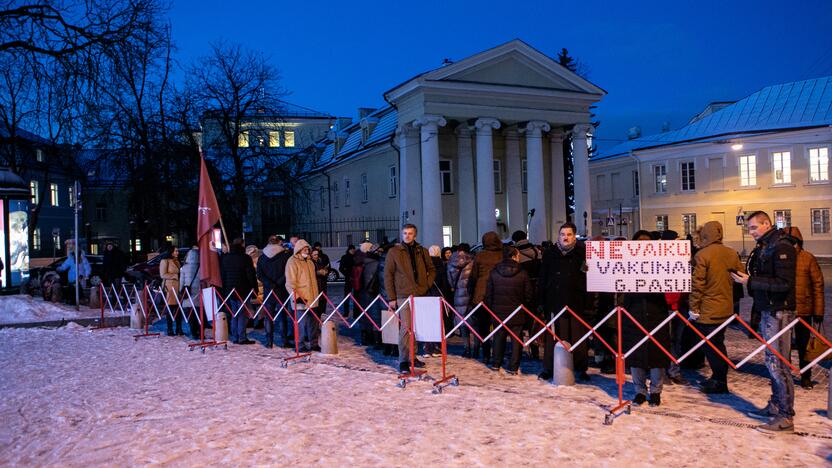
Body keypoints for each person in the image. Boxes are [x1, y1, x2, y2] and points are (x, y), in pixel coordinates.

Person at [732, 211, 797, 433]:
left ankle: (786, 416)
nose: (750, 232)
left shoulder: (781, 247)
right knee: (772, 361)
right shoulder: (765, 245)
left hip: (779, 311)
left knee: (778, 364)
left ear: (767, 224)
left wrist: (751, 281)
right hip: (768, 309)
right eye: (749, 228)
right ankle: (776, 405)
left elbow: (784, 284)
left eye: (753, 227)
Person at [687, 221, 745, 394]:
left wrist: (694, 308)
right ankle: (718, 377)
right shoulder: (731, 253)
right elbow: (738, 277)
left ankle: (720, 380)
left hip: (708, 310)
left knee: (711, 347)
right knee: (718, 343)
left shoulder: (702, 255)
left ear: (705, 236)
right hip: (725, 309)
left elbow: (698, 285)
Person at [622, 230, 672, 406]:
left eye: (647, 243)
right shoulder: (625, 263)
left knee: (657, 353)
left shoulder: (661, 263)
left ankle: (656, 391)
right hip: (633, 312)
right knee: (636, 354)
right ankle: (640, 391)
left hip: (656, 312)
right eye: (639, 244)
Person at [539, 222, 591, 382]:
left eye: (569, 234)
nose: (565, 238)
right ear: (558, 236)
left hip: (576, 302)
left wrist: (588, 303)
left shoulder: (582, 253)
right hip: (554, 303)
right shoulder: (550, 254)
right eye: (563, 234)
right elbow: (542, 279)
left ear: (574, 236)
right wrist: (541, 302)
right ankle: (549, 368)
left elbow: (589, 277)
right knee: (553, 338)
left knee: (578, 338)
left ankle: (580, 368)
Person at [383, 224, 435, 373]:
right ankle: (404, 360)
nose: (407, 236)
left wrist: (426, 285)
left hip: (420, 294)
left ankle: (413, 356)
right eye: (405, 233)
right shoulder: (394, 252)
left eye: (410, 233)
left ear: (415, 235)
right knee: (405, 328)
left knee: (415, 327)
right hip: (402, 295)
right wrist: (391, 297)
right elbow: (388, 275)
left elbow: (431, 270)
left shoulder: (422, 251)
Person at [783, 226, 825, 389]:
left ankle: (806, 375)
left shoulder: (808, 258)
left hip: (804, 311)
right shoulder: (781, 257)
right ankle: (784, 375)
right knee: (784, 346)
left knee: (804, 346)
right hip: (785, 309)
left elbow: (818, 286)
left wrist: (818, 312)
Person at [485, 246, 533, 375]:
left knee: (498, 338)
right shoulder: (522, 273)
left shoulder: (494, 272)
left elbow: (489, 294)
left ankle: (496, 363)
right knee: (516, 339)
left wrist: (493, 306)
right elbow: (528, 294)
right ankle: (513, 366)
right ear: (514, 256)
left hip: (498, 311)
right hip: (517, 311)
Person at [467, 231, 504, 365]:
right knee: (499, 327)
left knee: (483, 327)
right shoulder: (502, 254)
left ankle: (486, 354)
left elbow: (474, 276)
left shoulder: (480, 255)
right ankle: (498, 356)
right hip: (499, 294)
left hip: (481, 295)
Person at [285, 239, 321, 352]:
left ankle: (314, 343)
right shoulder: (292, 262)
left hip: (312, 298)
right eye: (304, 249)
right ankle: (299, 345)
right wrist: (296, 297)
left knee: (313, 324)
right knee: (300, 324)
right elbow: (290, 283)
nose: (307, 250)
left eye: (308, 249)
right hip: (301, 299)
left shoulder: (310, 262)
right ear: (299, 250)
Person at [257, 236, 293, 348]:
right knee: (282, 316)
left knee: (268, 316)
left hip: (268, 291)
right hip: (281, 289)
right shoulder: (285, 256)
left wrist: (269, 284)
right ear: (279, 243)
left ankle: (269, 341)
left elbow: (259, 274)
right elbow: (287, 272)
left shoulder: (262, 257)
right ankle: (284, 341)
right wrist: (278, 282)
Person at [221, 239, 258, 345]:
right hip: (243, 289)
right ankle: (242, 337)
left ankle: (235, 336)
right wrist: (254, 288)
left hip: (230, 290)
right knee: (242, 314)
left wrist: (225, 289)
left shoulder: (226, 258)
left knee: (234, 313)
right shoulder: (245, 258)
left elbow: (223, 275)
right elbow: (251, 275)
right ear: (242, 245)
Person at [447, 243, 475, 356]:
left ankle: (467, 348)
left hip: (459, 294)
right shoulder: (473, 261)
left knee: (463, 322)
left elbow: (450, 281)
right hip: (471, 293)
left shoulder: (451, 262)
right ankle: (476, 348)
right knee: (474, 322)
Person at [356, 242, 382, 347]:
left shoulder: (361, 261)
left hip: (362, 292)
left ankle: (365, 338)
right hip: (371, 293)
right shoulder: (374, 263)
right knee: (374, 316)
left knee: (365, 315)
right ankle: (375, 340)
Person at [57, 240, 91, 305]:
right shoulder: (71, 258)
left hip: (79, 277)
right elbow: (65, 265)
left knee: (78, 290)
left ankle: (79, 302)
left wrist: (87, 274)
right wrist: (60, 269)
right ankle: (72, 302)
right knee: (71, 291)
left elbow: (87, 266)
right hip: (71, 278)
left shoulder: (82, 258)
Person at [179, 247, 202, 339]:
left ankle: (193, 332)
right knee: (199, 313)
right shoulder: (200, 267)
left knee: (191, 314)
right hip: (198, 291)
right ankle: (200, 331)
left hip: (188, 291)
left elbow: (181, 281)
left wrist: (180, 291)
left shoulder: (184, 268)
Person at [160, 246, 183, 336]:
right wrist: (175, 276)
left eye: (177, 251)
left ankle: (179, 328)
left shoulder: (177, 261)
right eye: (176, 251)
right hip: (170, 286)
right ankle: (170, 329)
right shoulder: (165, 261)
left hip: (178, 286)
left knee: (178, 308)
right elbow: (163, 274)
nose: (177, 253)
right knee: (170, 308)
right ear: (171, 252)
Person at [339, 245, 356, 318]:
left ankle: (356, 313)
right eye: (351, 249)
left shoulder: (356, 257)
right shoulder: (345, 257)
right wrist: (347, 275)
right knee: (346, 297)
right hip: (348, 279)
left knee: (356, 297)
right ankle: (346, 313)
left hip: (356, 279)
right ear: (349, 250)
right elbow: (341, 268)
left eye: (353, 249)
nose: (353, 251)